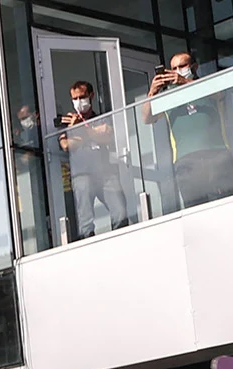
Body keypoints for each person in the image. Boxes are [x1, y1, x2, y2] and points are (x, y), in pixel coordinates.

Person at [147, 53, 233, 208]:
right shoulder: (168, 96)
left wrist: (184, 82)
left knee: (226, 208)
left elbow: (220, 94)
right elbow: (147, 118)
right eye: (174, 68)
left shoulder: (208, 84)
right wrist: (152, 92)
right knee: (195, 213)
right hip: (186, 162)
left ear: (194, 67)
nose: (177, 71)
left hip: (217, 156)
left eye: (182, 66)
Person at [59, 80, 130, 238]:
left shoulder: (102, 118)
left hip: (106, 173)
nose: (79, 102)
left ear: (91, 96)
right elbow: (66, 144)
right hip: (82, 175)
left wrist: (82, 131)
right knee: (85, 221)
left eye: (82, 97)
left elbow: (108, 136)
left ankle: (122, 241)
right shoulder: (68, 123)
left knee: (120, 212)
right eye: (75, 98)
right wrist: (89, 132)